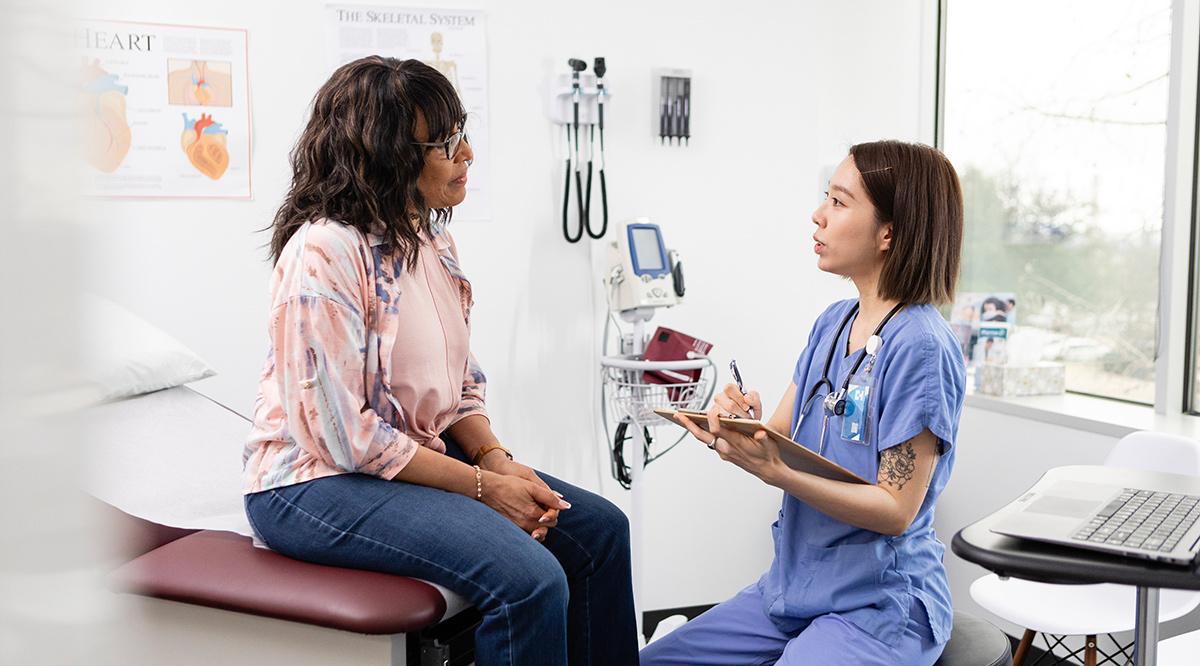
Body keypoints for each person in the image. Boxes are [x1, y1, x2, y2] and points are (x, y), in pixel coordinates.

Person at [241, 56, 637, 666]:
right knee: (529, 580)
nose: (468, 153)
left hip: (406, 460)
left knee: (601, 532)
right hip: (312, 484)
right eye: (447, 142)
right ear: (389, 155)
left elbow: (462, 387)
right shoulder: (324, 252)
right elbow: (345, 439)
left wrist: (497, 460)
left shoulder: (431, 238)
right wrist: (484, 489)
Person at [640, 140, 966, 665]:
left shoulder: (920, 347)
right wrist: (738, 427)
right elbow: (781, 439)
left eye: (839, 202)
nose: (817, 216)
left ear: (890, 232)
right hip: (795, 589)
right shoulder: (833, 324)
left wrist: (777, 473)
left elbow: (896, 510)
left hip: (880, 605)